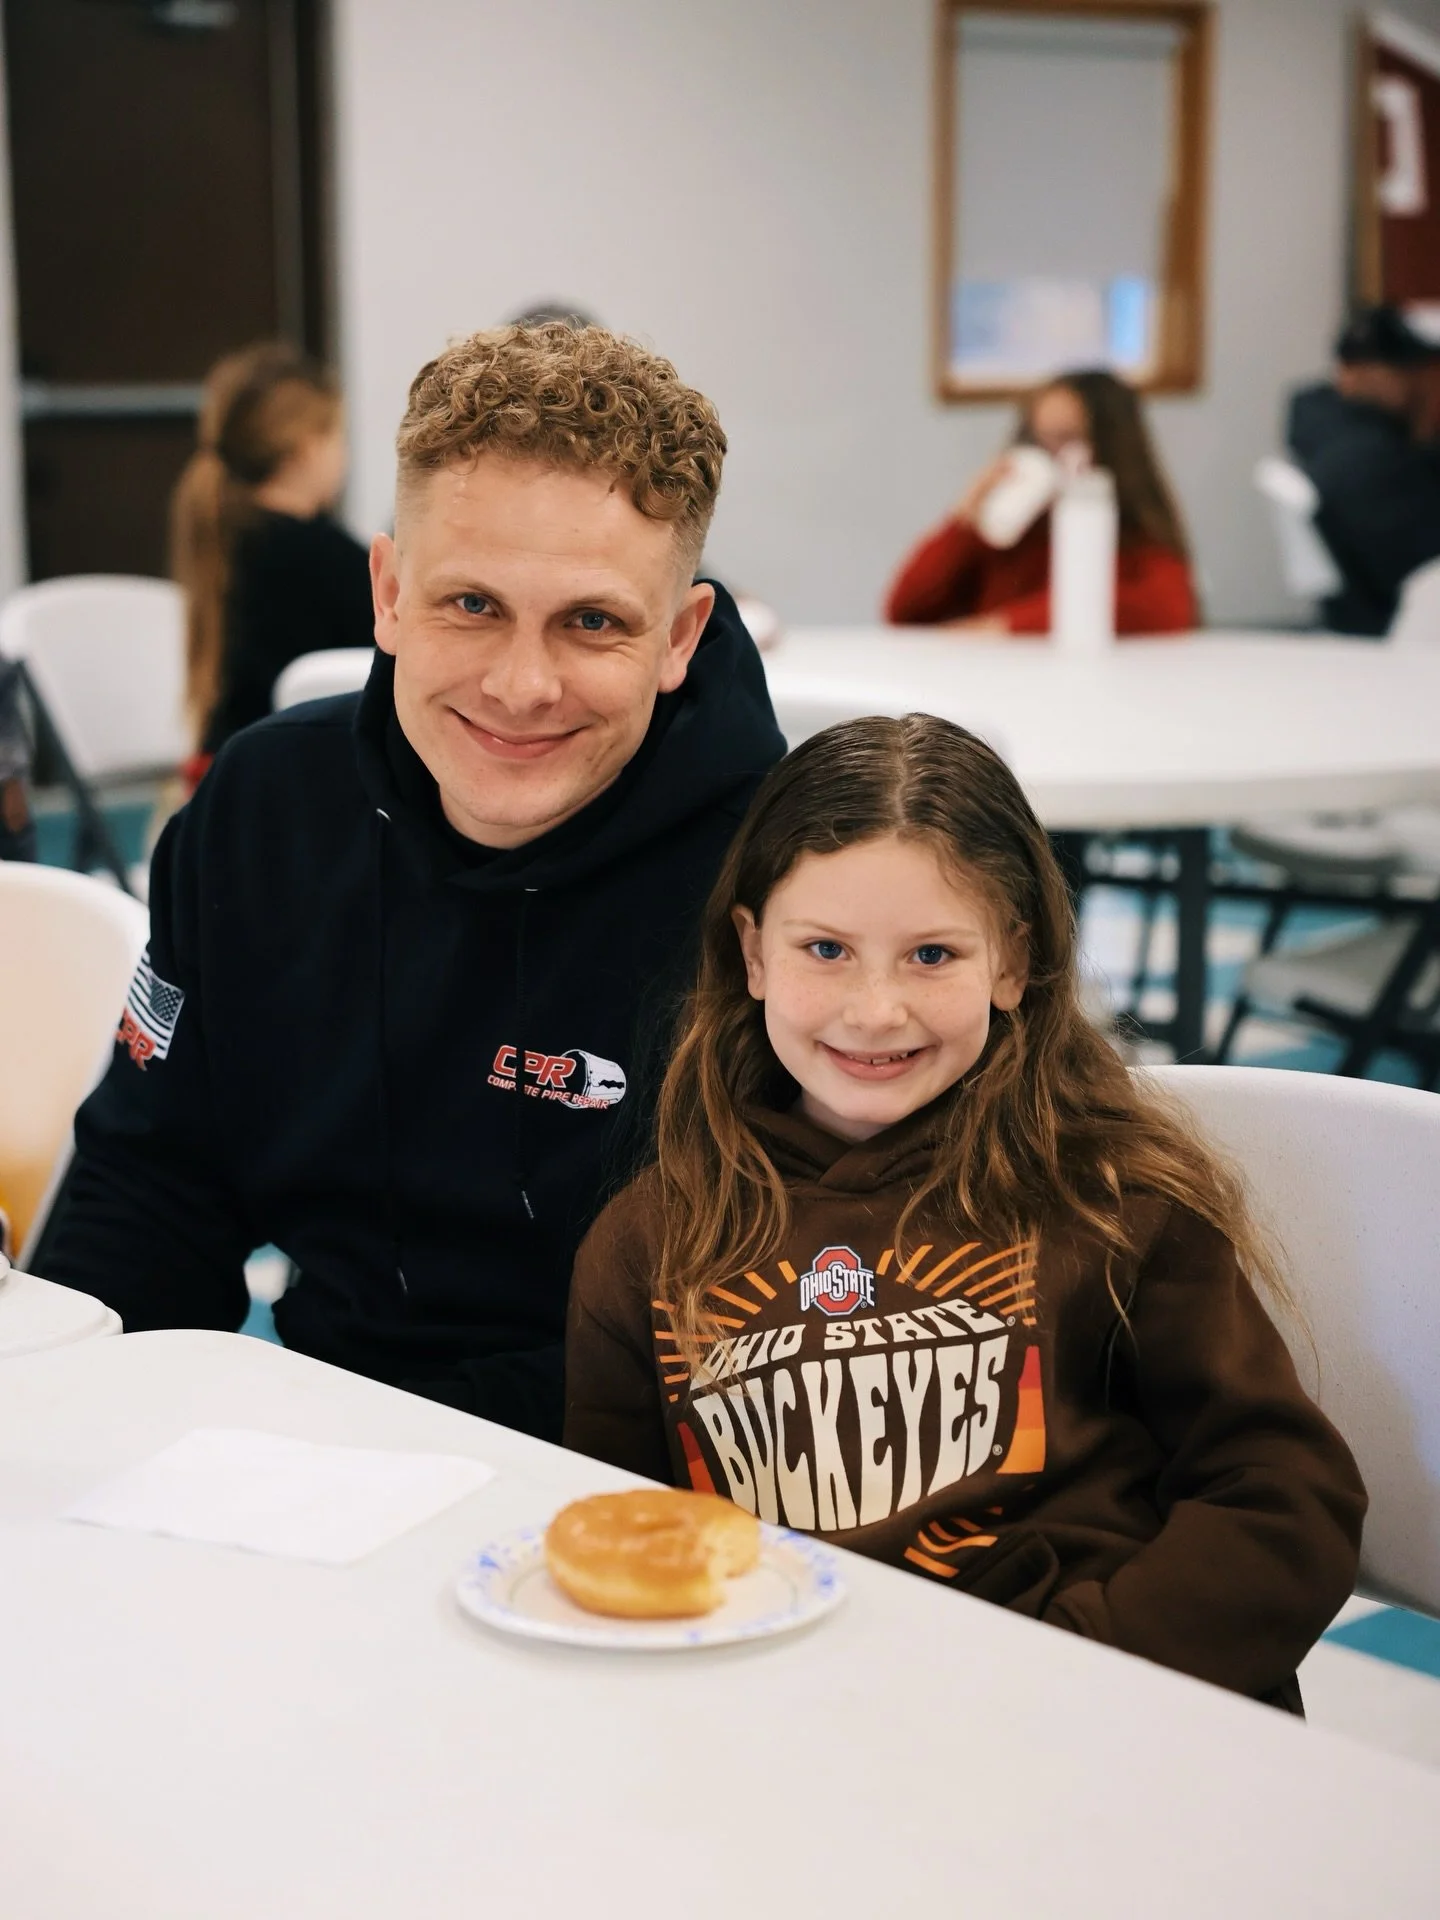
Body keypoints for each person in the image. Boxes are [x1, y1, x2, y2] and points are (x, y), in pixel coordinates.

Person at [36, 323, 785, 1441]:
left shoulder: (790, 886)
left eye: (592, 622)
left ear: (680, 637)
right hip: (328, 1452)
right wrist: (57, 1421)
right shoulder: (261, 814)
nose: (522, 686)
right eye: (470, 605)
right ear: (387, 592)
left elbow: (765, 1343)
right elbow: (153, 1190)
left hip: (634, 1483)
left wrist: (355, 1447)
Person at [565, 714, 1365, 1708]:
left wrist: (1080, 1674)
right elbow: (618, 1534)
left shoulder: (1114, 1201)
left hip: (1087, 1716)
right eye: (825, 948)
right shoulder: (649, 1242)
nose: (875, 1008)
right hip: (791, 1726)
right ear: (753, 954)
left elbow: (1284, 1495)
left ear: (1012, 963)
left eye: (932, 955)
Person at [171, 342, 375, 783]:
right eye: (337, 435)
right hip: (287, 786)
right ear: (305, 448)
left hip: (223, 773)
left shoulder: (232, 534)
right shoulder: (321, 554)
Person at [884, 370, 1196, 635]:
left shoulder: (1133, 540)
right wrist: (964, 518)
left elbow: (1168, 608)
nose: (1049, 454)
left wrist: (1005, 625)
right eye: (1038, 438)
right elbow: (904, 610)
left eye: (1066, 438)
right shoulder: (1007, 535)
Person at [1287, 304, 1440, 636]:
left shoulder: (1330, 435)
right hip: (1401, 638)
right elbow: (1427, 571)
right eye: (1426, 371)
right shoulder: (1371, 466)